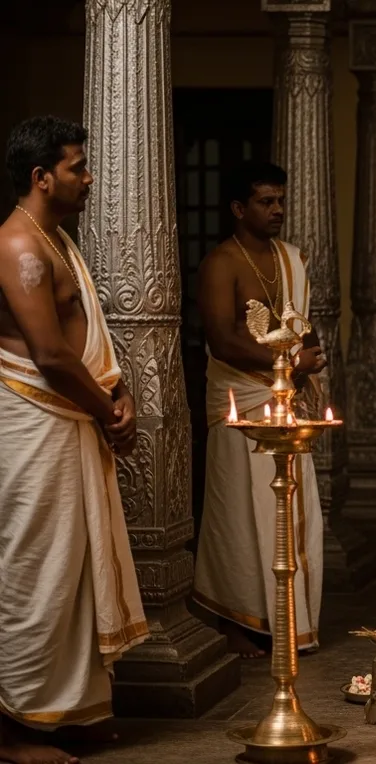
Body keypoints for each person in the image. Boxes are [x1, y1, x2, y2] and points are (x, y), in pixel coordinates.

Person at [0, 116, 148, 764]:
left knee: (75, 568)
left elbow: (84, 346)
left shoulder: (56, 239)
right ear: (41, 177)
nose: (88, 179)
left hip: (70, 418)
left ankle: (70, 706)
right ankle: (13, 727)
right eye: (78, 167)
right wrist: (108, 412)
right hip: (36, 424)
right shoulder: (19, 245)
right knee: (35, 569)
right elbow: (51, 355)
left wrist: (120, 396)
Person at [193, 161, 327, 659]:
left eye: (280, 200)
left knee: (294, 512)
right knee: (236, 513)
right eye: (265, 202)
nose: (277, 210)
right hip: (240, 402)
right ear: (238, 208)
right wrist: (291, 360)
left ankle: (290, 621)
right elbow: (223, 340)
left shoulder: (291, 258)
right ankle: (234, 621)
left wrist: (310, 360)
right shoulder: (220, 264)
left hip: (284, 399)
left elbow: (301, 322)